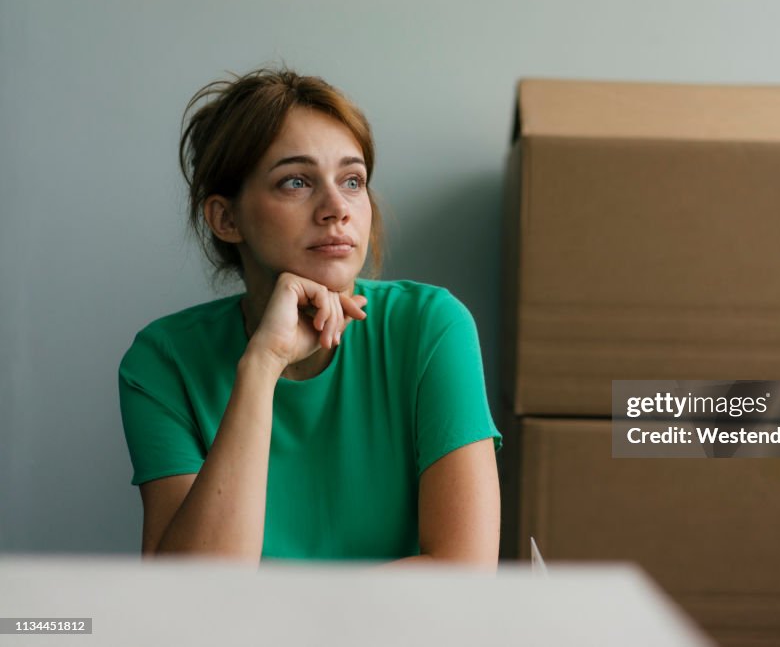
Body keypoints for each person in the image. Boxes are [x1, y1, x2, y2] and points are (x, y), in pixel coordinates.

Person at [118, 67, 502, 568]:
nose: (336, 208)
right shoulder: (162, 361)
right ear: (226, 218)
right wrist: (261, 366)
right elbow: (193, 589)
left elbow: (462, 572)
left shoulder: (431, 326)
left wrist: (275, 610)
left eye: (352, 180)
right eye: (296, 182)